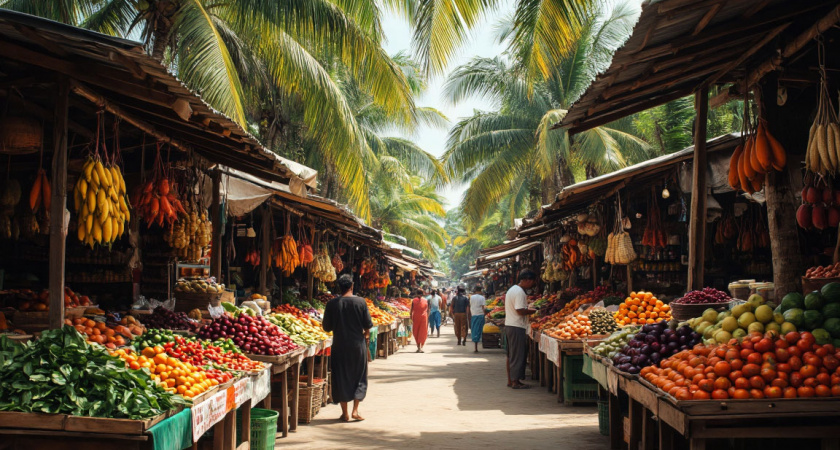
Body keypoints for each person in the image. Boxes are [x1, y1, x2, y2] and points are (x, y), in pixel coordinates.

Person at [322, 274, 373, 421]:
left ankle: (344, 413)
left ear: (339, 287)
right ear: (352, 286)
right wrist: (366, 338)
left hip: (340, 346)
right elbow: (368, 325)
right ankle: (355, 411)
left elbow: (326, 327)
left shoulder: (332, 304)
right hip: (358, 346)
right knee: (359, 376)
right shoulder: (361, 302)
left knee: (340, 377)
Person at [505, 269, 537, 389]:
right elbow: (520, 310)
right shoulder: (519, 292)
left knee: (511, 355)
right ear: (527, 280)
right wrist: (534, 311)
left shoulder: (512, 289)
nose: (532, 284)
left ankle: (510, 380)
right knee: (518, 355)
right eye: (532, 281)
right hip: (516, 326)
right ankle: (515, 382)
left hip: (510, 325)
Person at [469, 286, 487, 353]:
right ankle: (479, 344)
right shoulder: (482, 297)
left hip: (473, 315)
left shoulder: (471, 297)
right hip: (480, 314)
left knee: (474, 330)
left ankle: (476, 346)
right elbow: (483, 307)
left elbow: (471, 305)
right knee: (480, 329)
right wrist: (485, 314)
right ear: (480, 290)